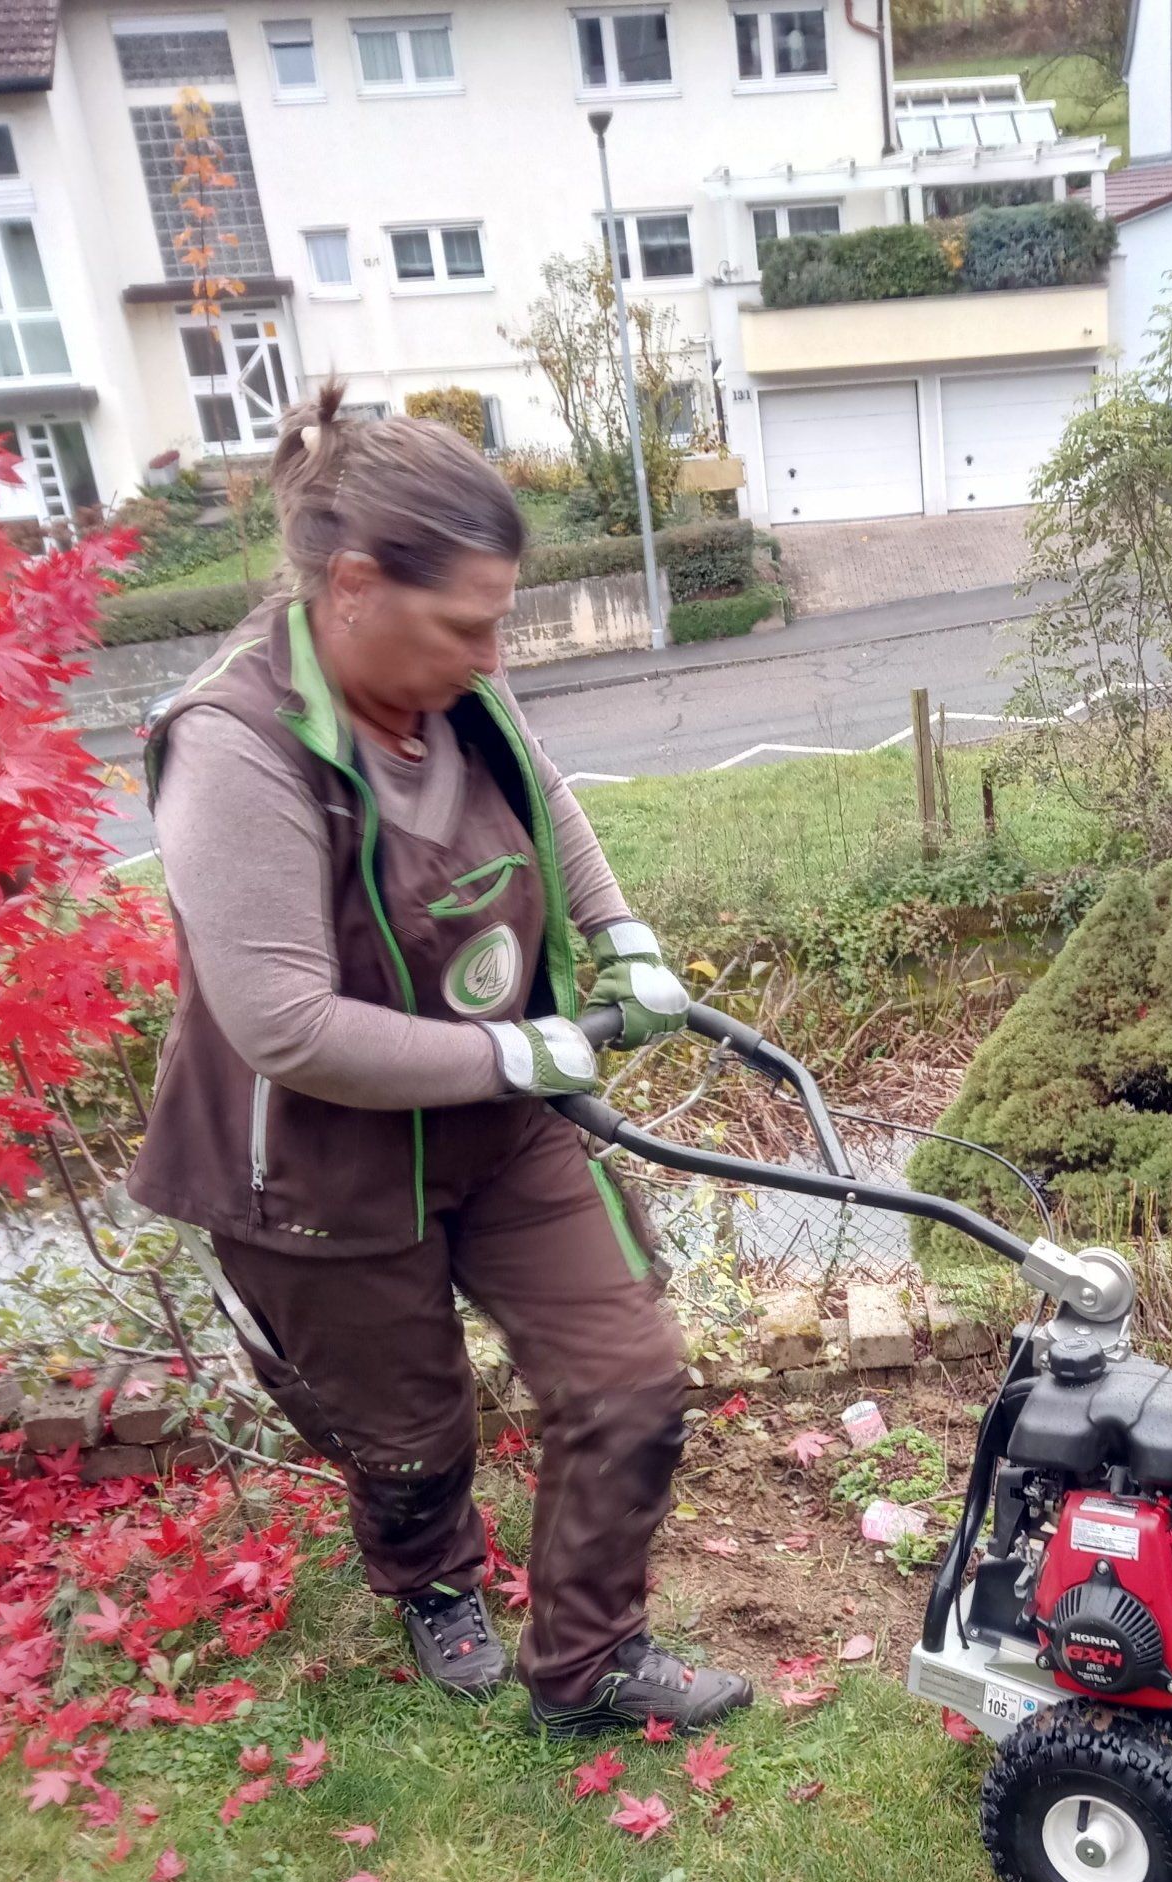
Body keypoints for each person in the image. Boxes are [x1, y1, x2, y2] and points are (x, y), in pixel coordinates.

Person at [128, 384, 751, 1738]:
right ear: (352, 586)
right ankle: (432, 1577)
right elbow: (284, 1024)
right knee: (409, 1431)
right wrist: (519, 1044)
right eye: (468, 621)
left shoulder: (458, 676)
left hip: (504, 1118)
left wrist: (619, 934)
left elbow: (545, 793)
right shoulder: (233, 748)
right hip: (317, 1161)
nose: (493, 649)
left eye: (500, 618)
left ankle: (590, 1660)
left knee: (629, 1373)